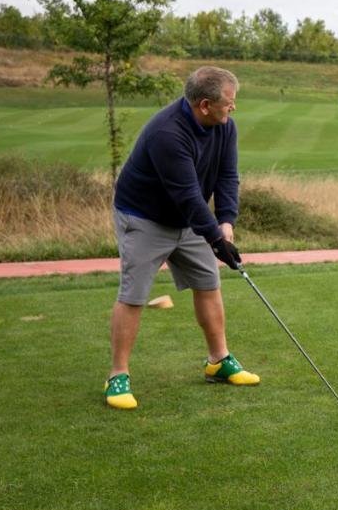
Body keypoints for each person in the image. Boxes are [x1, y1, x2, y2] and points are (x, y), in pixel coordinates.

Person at [103, 65, 259, 409]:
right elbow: (187, 194)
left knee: (208, 281)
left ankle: (218, 361)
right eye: (228, 103)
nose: (232, 108)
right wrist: (216, 240)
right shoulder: (167, 133)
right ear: (204, 104)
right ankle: (117, 376)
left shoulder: (224, 126)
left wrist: (226, 223)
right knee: (134, 294)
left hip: (188, 220)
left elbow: (227, 176)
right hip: (144, 217)